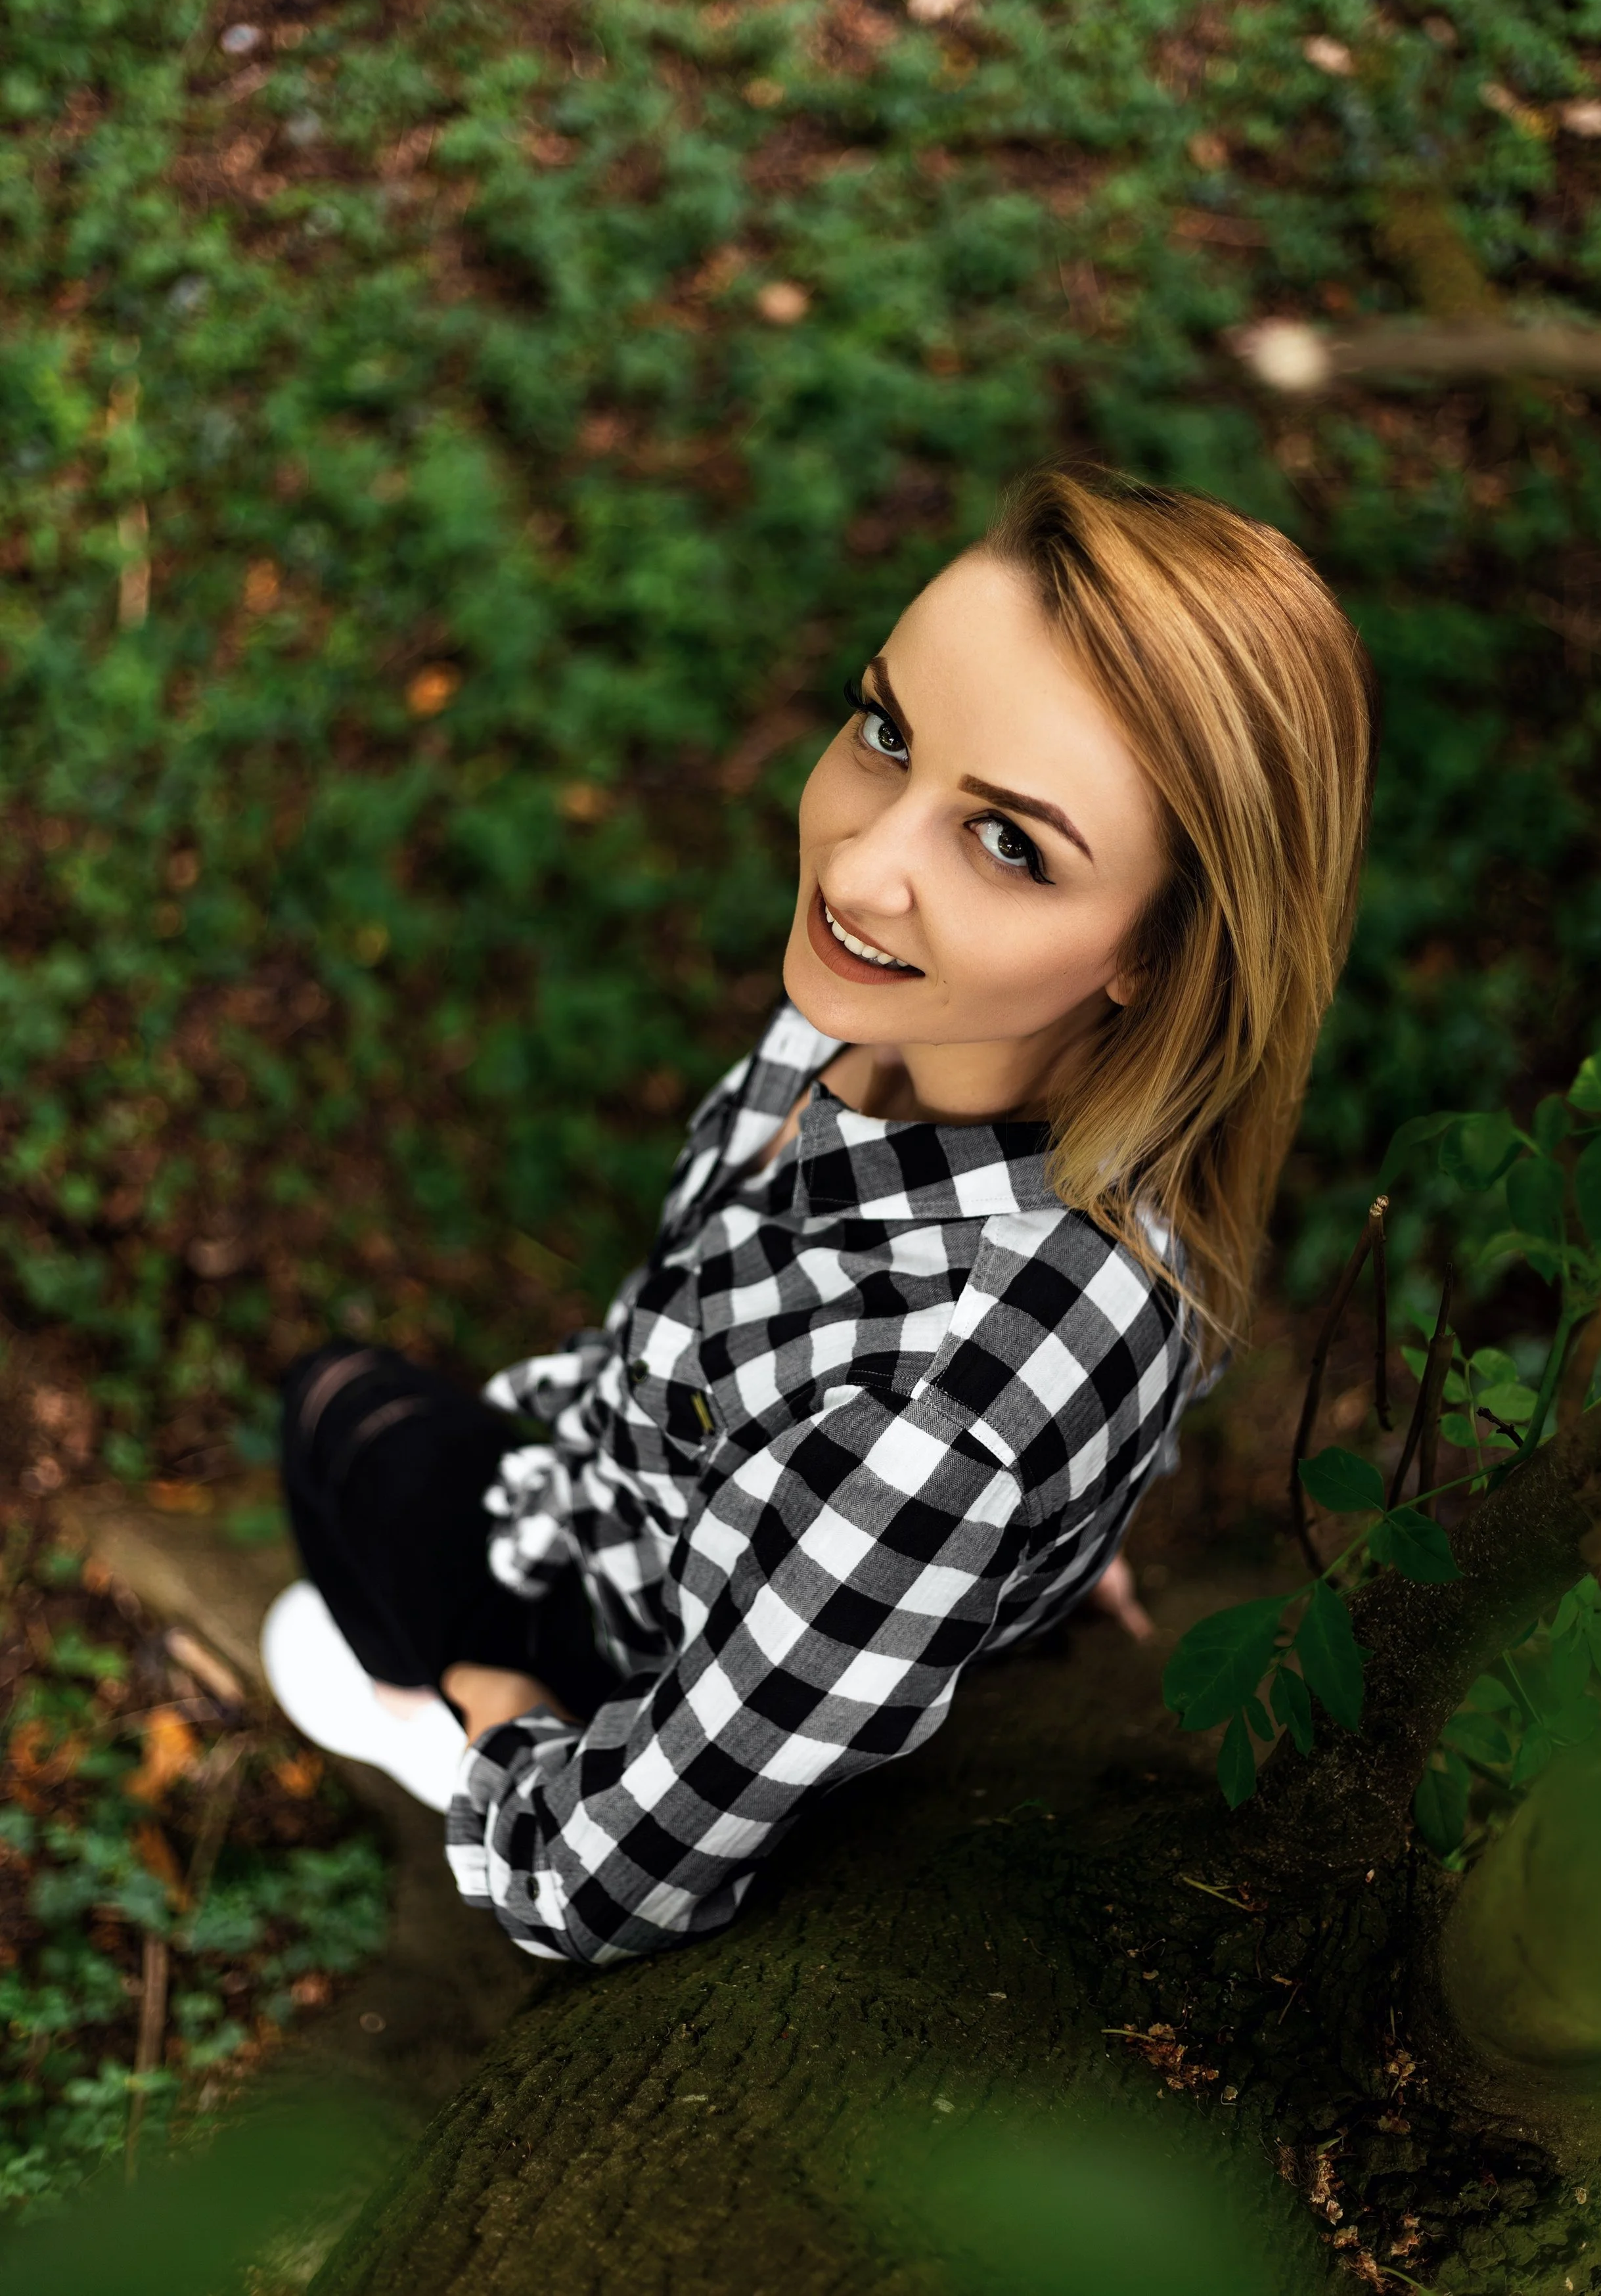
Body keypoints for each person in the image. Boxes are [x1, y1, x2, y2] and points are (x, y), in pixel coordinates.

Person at [261, 463, 1377, 1965]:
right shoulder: (944, 1039)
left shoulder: (938, 1432)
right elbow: (1123, 1382)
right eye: (885, 733)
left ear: (1157, 955)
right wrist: (1056, 1546)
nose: (855, 867)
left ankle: (429, 1721)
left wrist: (494, 1714)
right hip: (655, 1500)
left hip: (626, 1652)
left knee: (336, 1419)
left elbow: (607, 1888)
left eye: (1008, 844)